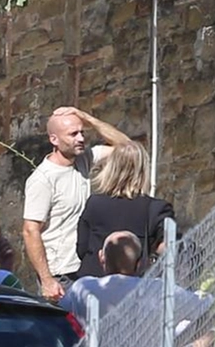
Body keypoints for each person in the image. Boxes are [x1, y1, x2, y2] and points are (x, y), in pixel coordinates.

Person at [22, 106, 131, 301]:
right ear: (54, 139)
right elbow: (31, 230)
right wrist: (47, 280)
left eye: (82, 132)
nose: (80, 138)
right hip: (60, 276)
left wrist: (88, 118)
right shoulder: (42, 179)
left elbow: (127, 147)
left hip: (84, 269)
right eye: (73, 134)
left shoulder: (84, 159)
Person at [74, 141, 173, 278]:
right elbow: (169, 250)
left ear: (111, 168)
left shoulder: (94, 203)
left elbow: (81, 249)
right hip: (134, 287)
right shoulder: (157, 209)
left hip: (94, 283)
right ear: (144, 170)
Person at [59, 230, 143, 328]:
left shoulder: (82, 287)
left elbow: (60, 315)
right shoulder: (156, 288)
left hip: (92, 342)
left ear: (101, 257)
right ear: (139, 263)